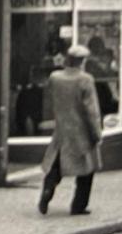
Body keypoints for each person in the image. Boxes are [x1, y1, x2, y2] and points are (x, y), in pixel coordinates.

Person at [38, 44, 102, 216]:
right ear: (81, 61)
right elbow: (91, 110)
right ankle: (78, 206)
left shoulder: (55, 78)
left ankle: (47, 190)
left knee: (56, 166)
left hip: (62, 129)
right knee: (86, 171)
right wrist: (97, 133)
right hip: (81, 132)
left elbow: (52, 100)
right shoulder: (85, 80)